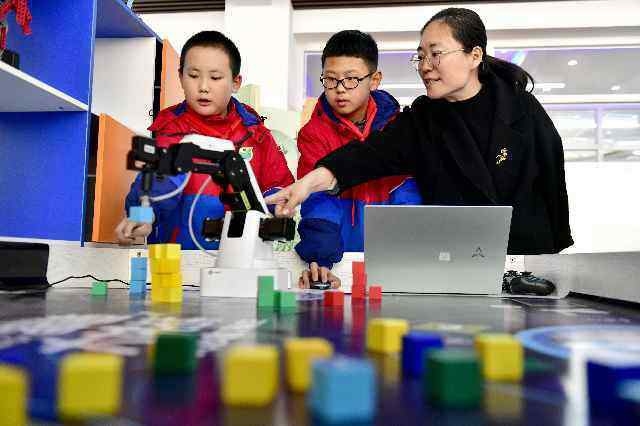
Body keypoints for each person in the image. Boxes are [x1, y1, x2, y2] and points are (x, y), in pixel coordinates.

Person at [267, 8, 573, 255]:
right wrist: (307, 184)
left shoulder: (521, 108)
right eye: (421, 56)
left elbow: (552, 185)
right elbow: (364, 156)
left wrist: (552, 257)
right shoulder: (424, 118)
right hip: (457, 261)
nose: (425, 65)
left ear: (474, 56)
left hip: (525, 257)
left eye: (435, 54)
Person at [116, 31, 294, 249]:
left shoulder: (257, 137)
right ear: (180, 76)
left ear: (236, 82)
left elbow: (278, 186)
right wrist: (141, 217)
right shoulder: (171, 133)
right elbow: (149, 190)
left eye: (215, 78)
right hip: (178, 258)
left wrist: (279, 205)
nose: (203, 87)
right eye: (193, 75)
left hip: (241, 257)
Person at [295, 30, 422, 289]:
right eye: (331, 79)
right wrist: (321, 258)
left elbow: (408, 194)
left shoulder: (398, 128)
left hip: (395, 261)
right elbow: (318, 201)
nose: (340, 89)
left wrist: (407, 251)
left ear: (374, 80)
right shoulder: (314, 134)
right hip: (339, 263)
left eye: (351, 79)